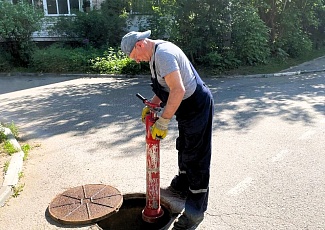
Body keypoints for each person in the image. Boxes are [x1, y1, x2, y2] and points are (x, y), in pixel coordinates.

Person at [121, 30, 214, 230]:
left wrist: (163, 121)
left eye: (135, 57)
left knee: (197, 158)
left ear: (139, 44)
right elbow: (165, 89)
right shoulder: (154, 56)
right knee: (184, 147)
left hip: (196, 106)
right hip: (185, 108)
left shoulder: (163, 54)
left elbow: (178, 90)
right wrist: (153, 105)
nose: (137, 61)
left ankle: (194, 214)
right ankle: (181, 186)